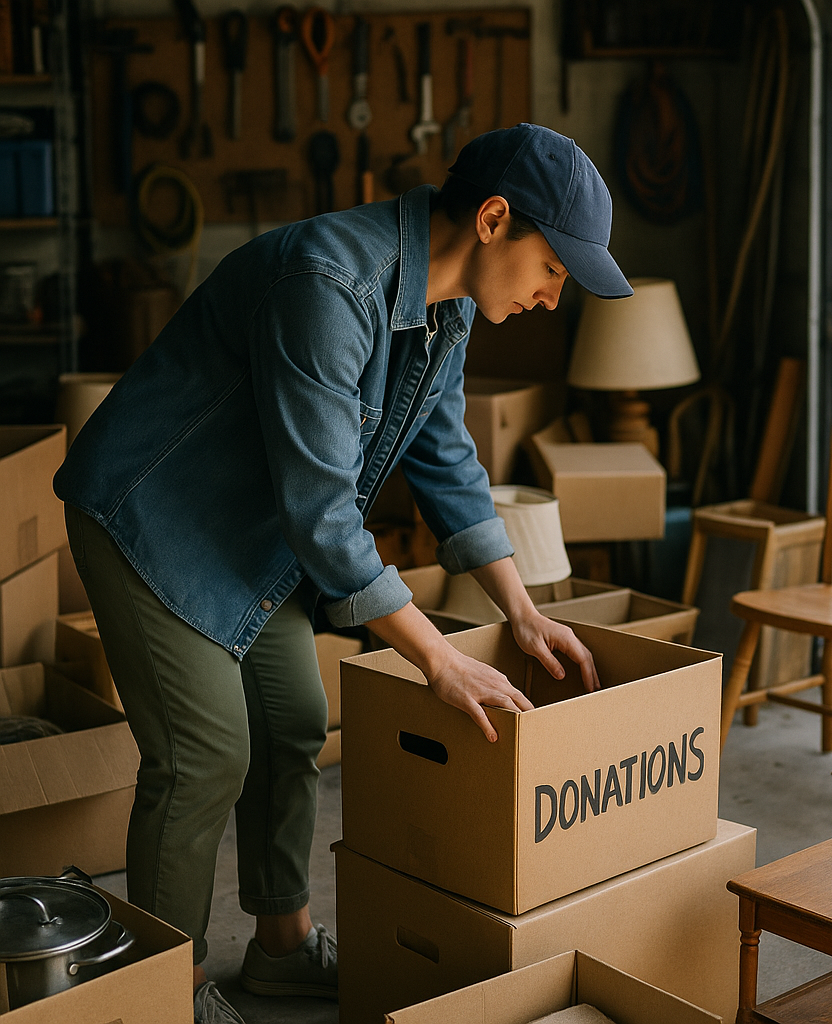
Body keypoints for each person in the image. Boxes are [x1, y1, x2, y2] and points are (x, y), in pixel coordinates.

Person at [54, 123, 633, 1024]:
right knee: (207, 755)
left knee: (294, 718)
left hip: (246, 530)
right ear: (492, 220)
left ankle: (281, 949)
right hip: (148, 517)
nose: (555, 298)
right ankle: (161, 994)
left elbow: (443, 455)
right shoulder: (328, 284)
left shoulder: (450, 307)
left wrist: (518, 610)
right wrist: (434, 656)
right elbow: (323, 513)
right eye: (555, 270)